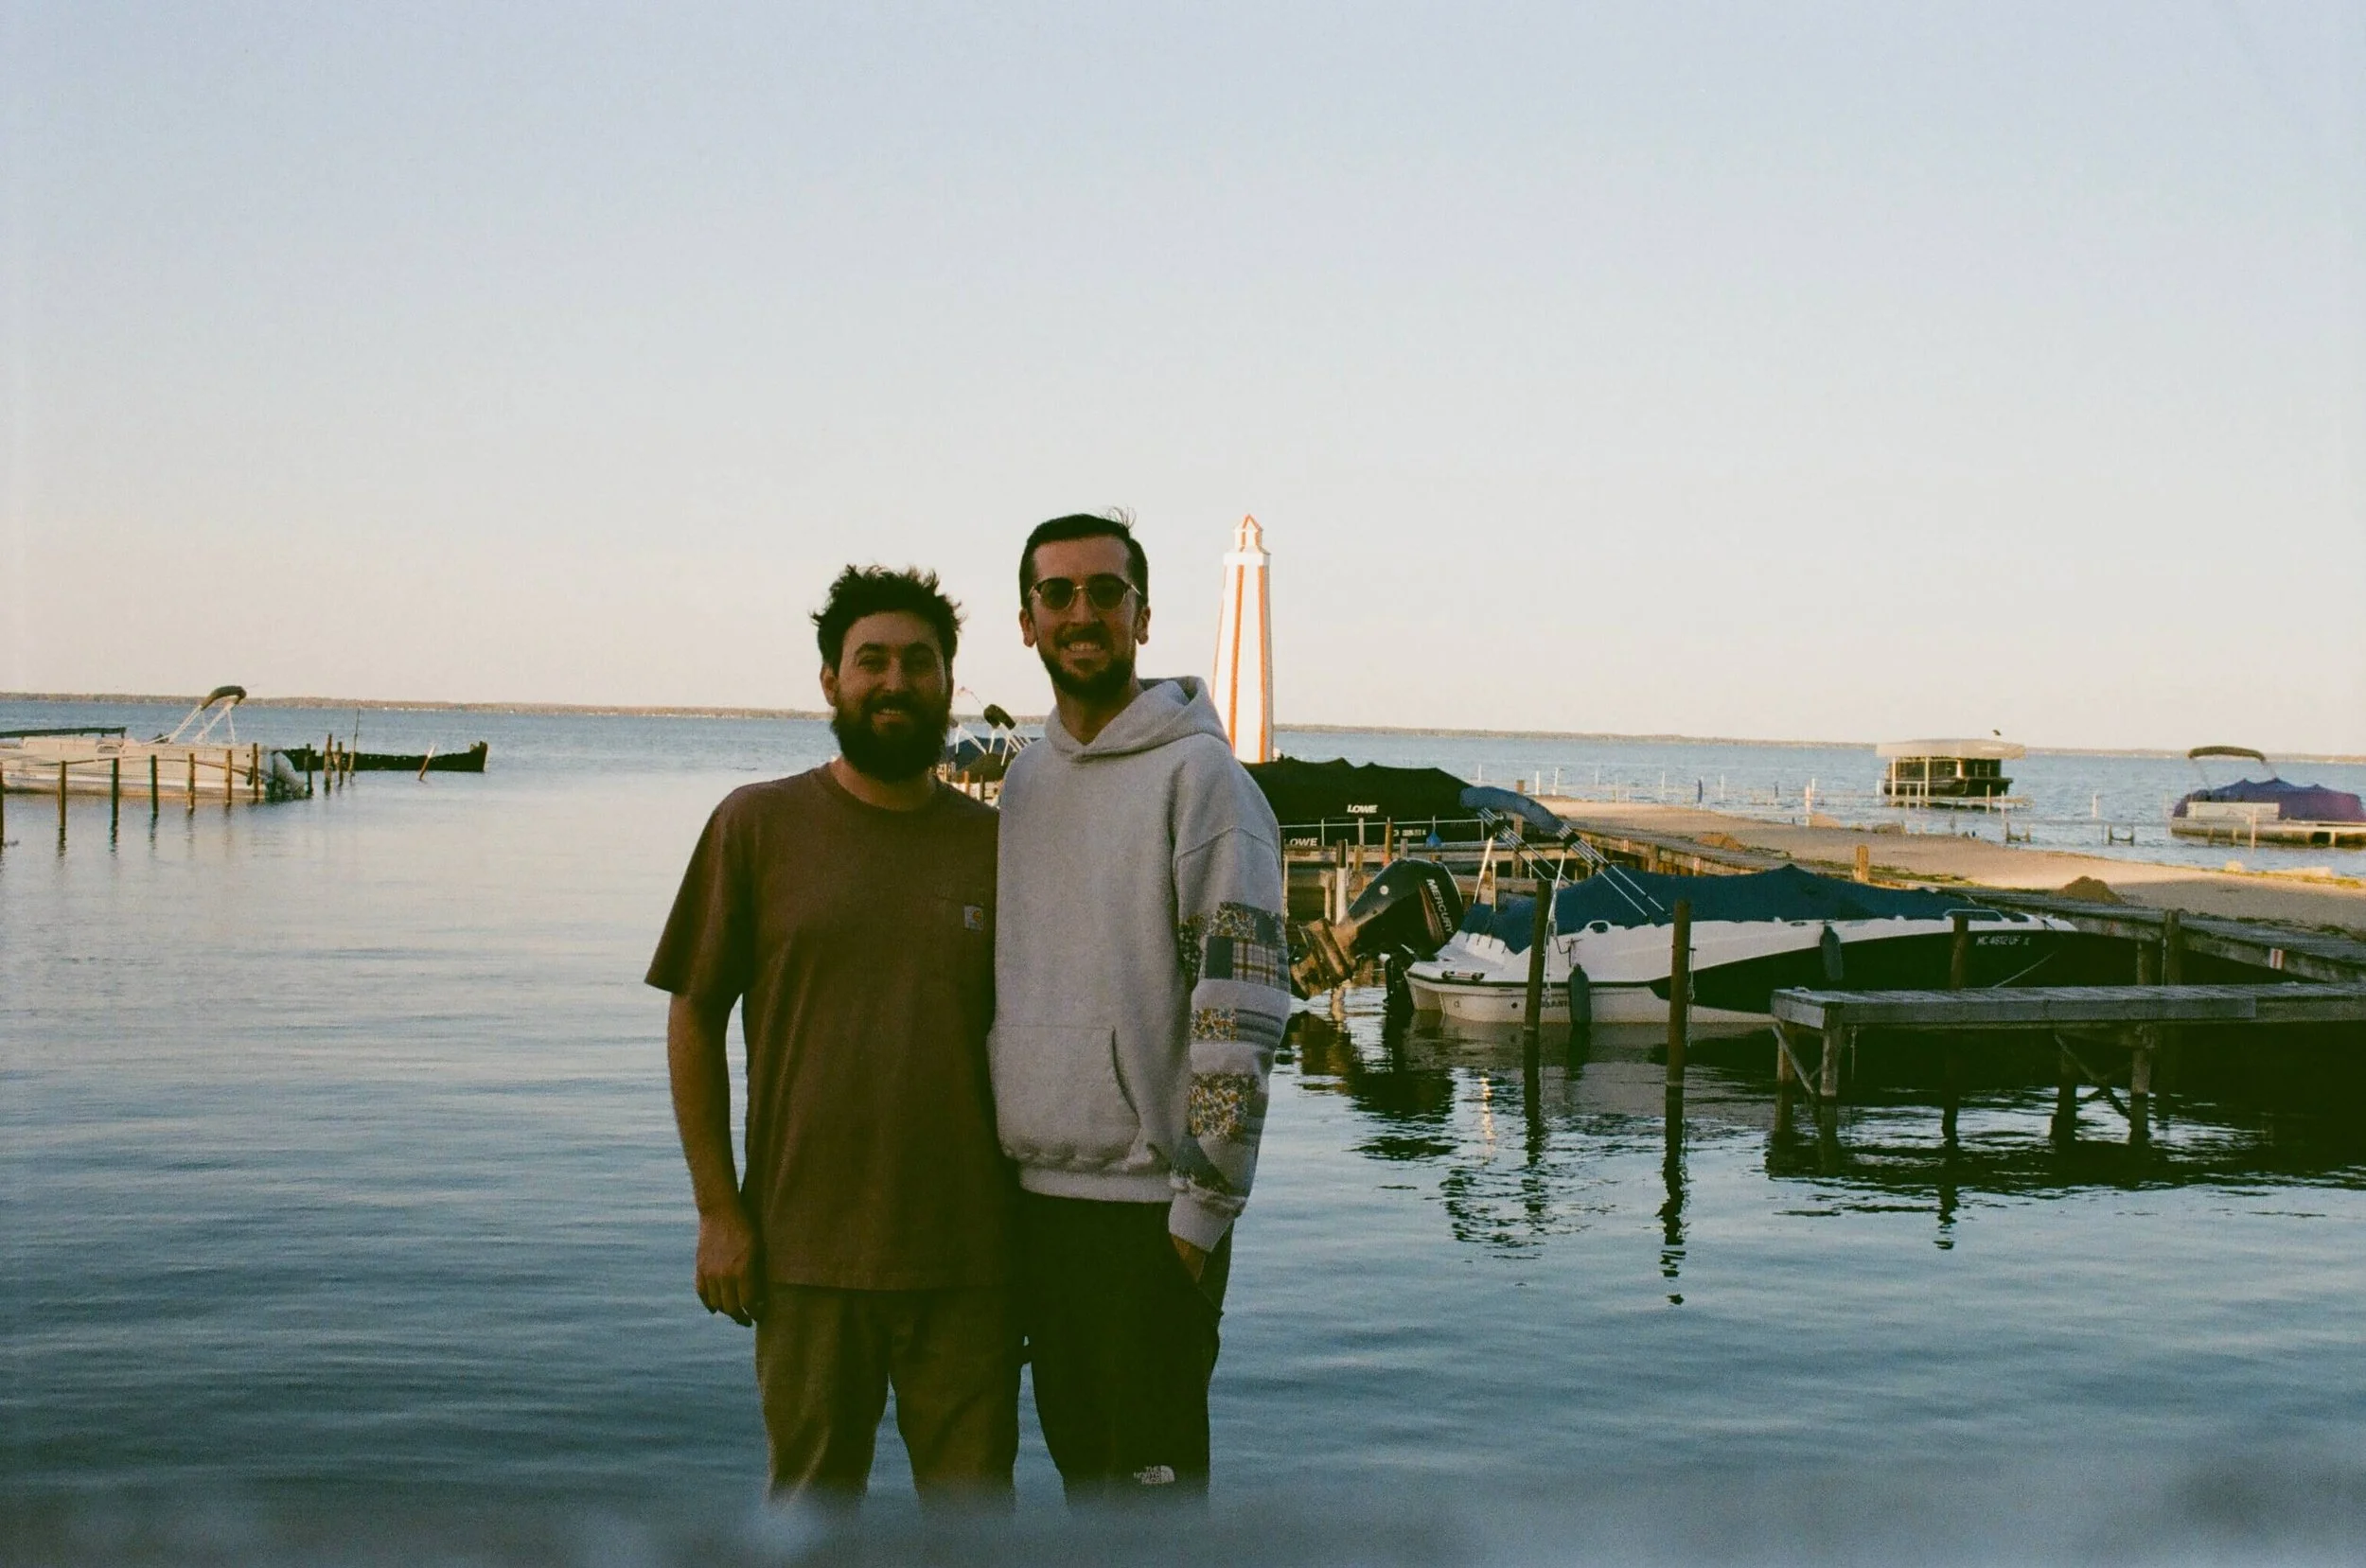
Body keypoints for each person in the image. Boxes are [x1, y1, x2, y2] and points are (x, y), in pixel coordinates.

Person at [646, 566, 1016, 1506]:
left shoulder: (999, 845)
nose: (895, 681)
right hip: (804, 1255)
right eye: (871, 661)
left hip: (973, 1260)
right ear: (829, 681)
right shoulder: (756, 824)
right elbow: (693, 1013)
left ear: (948, 683)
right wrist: (719, 1211)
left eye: (918, 663)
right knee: (811, 1511)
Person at [989, 512, 1290, 1499]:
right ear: (1027, 620)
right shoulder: (1024, 781)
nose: (1083, 614)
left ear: (1143, 614)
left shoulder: (1204, 778)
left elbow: (1239, 1006)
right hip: (1039, 1213)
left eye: (1105, 593)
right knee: (1086, 1493)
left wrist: (1199, 1212)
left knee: (1155, 1514)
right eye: (1058, 594)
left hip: (1152, 1218)